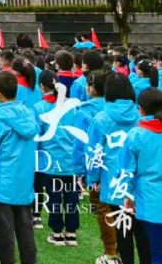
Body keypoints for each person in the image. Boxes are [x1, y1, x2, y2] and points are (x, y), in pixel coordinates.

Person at [0, 71, 40, 264]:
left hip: (1, 185)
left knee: (5, 238)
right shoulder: (29, 115)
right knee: (25, 233)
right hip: (23, 182)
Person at [86, 73, 147, 264]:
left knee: (123, 231)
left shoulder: (101, 118)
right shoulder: (140, 114)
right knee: (141, 231)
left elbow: (94, 152)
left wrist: (93, 179)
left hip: (115, 181)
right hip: (139, 180)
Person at [32, 70, 80, 248]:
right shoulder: (71, 106)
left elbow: (37, 136)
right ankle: (71, 232)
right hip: (70, 160)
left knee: (54, 197)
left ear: (42, 86)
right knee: (71, 196)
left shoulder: (39, 107)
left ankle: (57, 232)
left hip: (51, 161)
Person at [120, 87, 161, 264]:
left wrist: (128, 195)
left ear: (141, 109)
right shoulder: (137, 133)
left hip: (150, 203)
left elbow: (126, 170)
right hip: (149, 201)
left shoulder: (136, 135)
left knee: (155, 252)